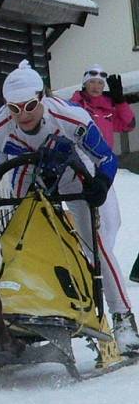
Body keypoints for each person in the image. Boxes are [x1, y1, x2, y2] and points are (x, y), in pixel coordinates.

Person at [0, 59, 139, 353]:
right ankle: (22, 309)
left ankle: (123, 318)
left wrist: (100, 184)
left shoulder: (70, 118)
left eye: (29, 106)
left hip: (74, 170)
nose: (23, 115)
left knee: (94, 244)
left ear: (42, 98)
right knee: (19, 241)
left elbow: (106, 159)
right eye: (14, 108)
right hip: (26, 170)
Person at [70, 66, 139, 284]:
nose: (97, 87)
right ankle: (95, 263)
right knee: (94, 218)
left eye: (101, 83)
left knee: (113, 221)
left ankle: (98, 261)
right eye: (92, 83)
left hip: (104, 167)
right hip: (83, 166)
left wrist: (120, 101)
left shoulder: (106, 107)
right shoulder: (75, 105)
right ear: (84, 84)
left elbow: (128, 124)